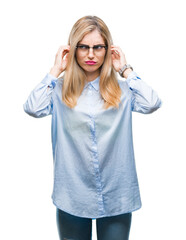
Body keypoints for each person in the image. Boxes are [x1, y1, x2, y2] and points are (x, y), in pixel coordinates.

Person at [23, 15, 162, 240]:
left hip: (116, 194)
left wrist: (125, 69)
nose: (90, 54)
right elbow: (32, 107)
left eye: (98, 47)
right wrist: (55, 69)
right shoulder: (58, 91)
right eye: (83, 47)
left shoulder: (125, 90)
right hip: (73, 196)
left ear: (108, 50)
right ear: (73, 49)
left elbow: (152, 102)